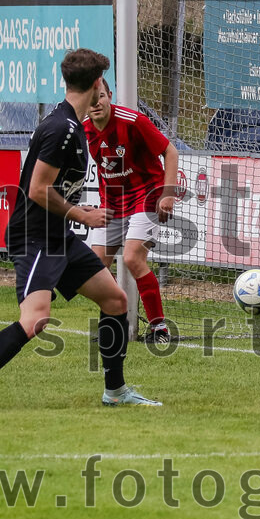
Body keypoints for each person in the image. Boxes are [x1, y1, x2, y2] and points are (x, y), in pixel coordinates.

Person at [0, 49, 162, 412]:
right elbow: (38, 189)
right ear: (96, 85)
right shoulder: (63, 128)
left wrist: (79, 210)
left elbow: (51, 187)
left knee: (115, 300)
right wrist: (82, 214)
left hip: (57, 236)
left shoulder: (70, 124)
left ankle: (116, 390)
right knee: (36, 319)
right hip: (35, 237)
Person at [84, 78, 178, 343]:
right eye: (91, 100)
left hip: (145, 196)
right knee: (96, 267)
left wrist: (168, 193)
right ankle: (115, 324)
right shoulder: (84, 129)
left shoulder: (133, 121)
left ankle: (160, 329)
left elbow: (170, 152)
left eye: (100, 96)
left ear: (109, 95)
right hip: (112, 203)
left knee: (132, 259)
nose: (96, 103)